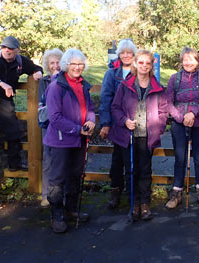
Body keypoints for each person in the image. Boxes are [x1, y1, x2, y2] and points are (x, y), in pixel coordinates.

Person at [109, 50, 168, 221]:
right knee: (131, 171)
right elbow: (115, 107)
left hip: (147, 136)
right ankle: (133, 204)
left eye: (147, 63)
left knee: (145, 171)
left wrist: (159, 127)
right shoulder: (125, 85)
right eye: (140, 62)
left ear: (152, 65)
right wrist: (124, 121)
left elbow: (163, 110)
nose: (144, 66)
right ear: (135, 64)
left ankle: (145, 204)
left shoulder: (157, 87)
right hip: (128, 136)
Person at [43, 49, 96, 233]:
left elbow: (89, 107)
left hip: (80, 139)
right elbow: (55, 117)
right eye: (73, 64)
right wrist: (76, 129)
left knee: (76, 174)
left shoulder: (83, 85)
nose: (77, 67)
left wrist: (91, 120)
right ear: (66, 65)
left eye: (80, 64)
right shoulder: (57, 86)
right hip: (61, 140)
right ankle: (56, 216)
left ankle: (71, 209)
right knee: (57, 179)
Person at [0, 36, 43, 170]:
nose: (7, 51)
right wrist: (0, 83)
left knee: (12, 127)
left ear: (17, 50)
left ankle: (15, 164)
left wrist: (38, 72)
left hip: (2, 97)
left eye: (11, 49)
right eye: (4, 48)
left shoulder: (21, 61)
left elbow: (36, 67)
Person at [165, 47, 199, 209]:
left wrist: (193, 113)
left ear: (197, 61)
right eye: (185, 59)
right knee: (180, 158)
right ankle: (176, 193)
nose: (188, 62)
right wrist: (180, 118)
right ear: (181, 61)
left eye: (191, 59)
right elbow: (168, 102)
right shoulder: (174, 78)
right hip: (179, 124)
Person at [98, 39, 137, 209]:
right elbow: (105, 98)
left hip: (135, 122)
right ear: (119, 55)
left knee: (133, 159)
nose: (126, 55)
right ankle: (115, 192)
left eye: (129, 52)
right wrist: (105, 123)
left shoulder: (140, 71)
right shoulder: (112, 73)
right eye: (123, 52)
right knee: (117, 160)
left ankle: (132, 194)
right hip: (117, 122)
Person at [37, 48, 64, 207]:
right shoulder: (44, 81)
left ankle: (62, 194)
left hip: (64, 124)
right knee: (48, 159)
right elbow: (43, 104)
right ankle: (46, 195)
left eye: (58, 62)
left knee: (63, 160)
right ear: (47, 65)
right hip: (48, 124)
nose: (55, 65)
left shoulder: (66, 79)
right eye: (52, 63)